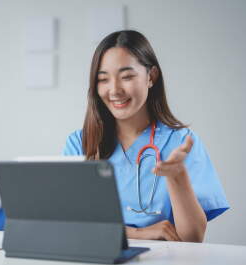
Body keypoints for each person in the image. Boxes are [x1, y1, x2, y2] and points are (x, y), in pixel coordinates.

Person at [62, 30, 229, 242]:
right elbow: (69, 224)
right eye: (103, 79)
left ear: (151, 77)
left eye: (127, 76)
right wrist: (138, 233)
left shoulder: (180, 143)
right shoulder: (80, 144)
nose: (114, 90)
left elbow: (193, 238)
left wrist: (177, 177)